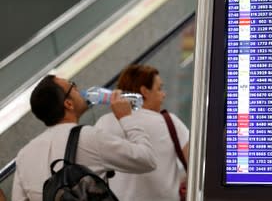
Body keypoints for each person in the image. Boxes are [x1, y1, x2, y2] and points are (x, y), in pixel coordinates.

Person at [12, 75, 158, 201]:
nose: (79, 89)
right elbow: (147, 160)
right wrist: (126, 118)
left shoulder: (23, 156)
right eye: (72, 86)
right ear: (68, 104)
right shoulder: (88, 137)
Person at [95, 64, 189, 201]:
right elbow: (196, 164)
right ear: (144, 91)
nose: (164, 94)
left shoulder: (103, 124)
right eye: (159, 89)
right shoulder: (170, 122)